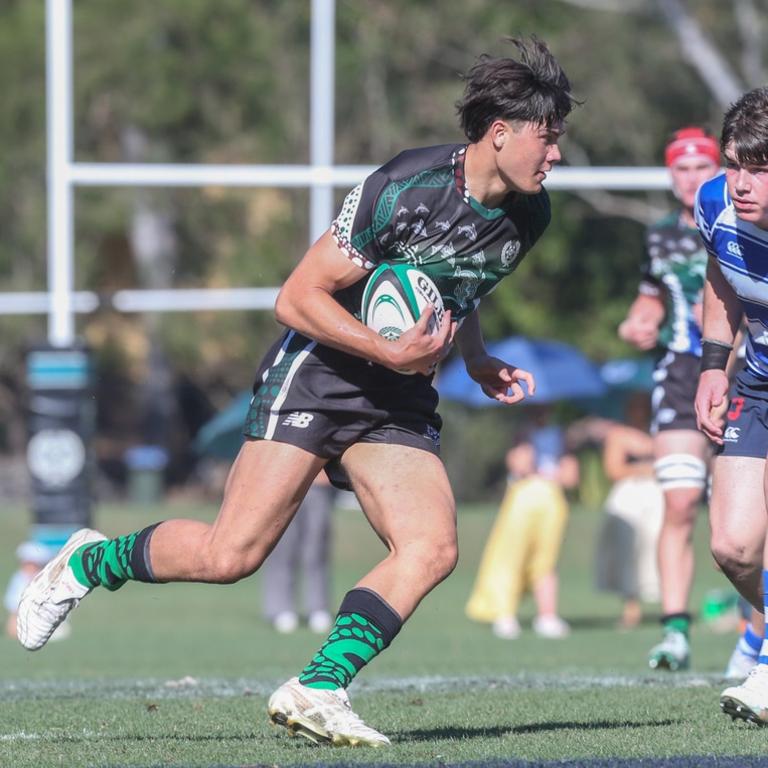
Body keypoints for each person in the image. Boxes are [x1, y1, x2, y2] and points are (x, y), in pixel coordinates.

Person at [16, 36, 578, 747]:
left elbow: (458, 289)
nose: (556, 153)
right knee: (231, 555)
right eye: (547, 137)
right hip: (322, 371)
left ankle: (319, 686)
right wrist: (385, 348)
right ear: (501, 134)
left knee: (432, 545)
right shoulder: (405, 188)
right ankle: (87, 561)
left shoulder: (530, 215)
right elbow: (296, 295)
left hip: (398, 397)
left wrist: (475, 356)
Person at [618, 127, 720, 670]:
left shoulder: (743, 223)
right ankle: (676, 631)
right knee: (680, 502)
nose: (690, 178)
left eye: (701, 167)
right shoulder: (659, 237)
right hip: (679, 375)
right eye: (681, 169)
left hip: (745, 375)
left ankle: (755, 641)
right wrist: (638, 323)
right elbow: (651, 299)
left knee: (740, 525)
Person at [694, 85, 768, 724]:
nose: (741, 182)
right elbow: (720, 279)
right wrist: (713, 367)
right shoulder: (713, 203)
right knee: (734, 547)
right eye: (734, 163)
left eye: (759, 168)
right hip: (758, 382)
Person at [465, 425, 576, 640]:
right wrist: (526, 446)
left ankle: (547, 615)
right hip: (523, 498)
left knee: (545, 561)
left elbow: (570, 477)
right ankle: (504, 613)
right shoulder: (522, 435)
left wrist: (561, 462)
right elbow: (520, 466)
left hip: (552, 500)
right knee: (510, 558)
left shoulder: (561, 438)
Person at [595, 393, 663, 630]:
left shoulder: (662, 432)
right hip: (630, 497)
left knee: (658, 546)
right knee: (628, 551)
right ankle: (630, 607)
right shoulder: (619, 435)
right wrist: (643, 468)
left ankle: (668, 604)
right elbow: (614, 470)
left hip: (657, 497)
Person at [262, 474, 335, 634]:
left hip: (318, 484)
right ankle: (280, 609)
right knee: (282, 548)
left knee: (316, 550)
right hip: (282, 483)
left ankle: (318, 608)